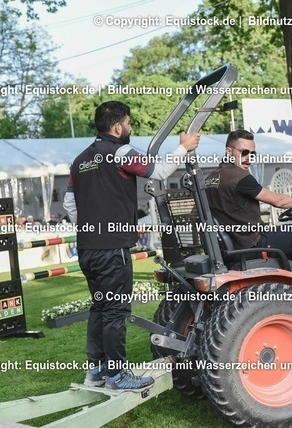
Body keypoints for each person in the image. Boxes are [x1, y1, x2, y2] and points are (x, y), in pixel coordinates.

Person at [63, 100, 200, 390]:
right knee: (115, 312)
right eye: (128, 123)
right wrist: (184, 146)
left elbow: (69, 205)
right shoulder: (120, 152)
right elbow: (159, 171)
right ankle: (117, 375)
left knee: (100, 309)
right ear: (117, 127)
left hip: (88, 249)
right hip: (112, 250)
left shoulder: (79, 160)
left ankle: (96, 372)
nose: (130, 128)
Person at [205, 129, 292, 291]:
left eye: (252, 154)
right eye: (244, 152)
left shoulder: (210, 178)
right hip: (252, 245)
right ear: (229, 151)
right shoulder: (240, 177)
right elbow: (277, 201)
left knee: (288, 235)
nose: (248, 158)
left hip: (233, 247)